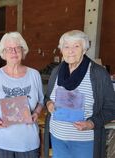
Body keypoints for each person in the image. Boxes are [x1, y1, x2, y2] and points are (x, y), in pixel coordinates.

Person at [43, 30, 115, 158]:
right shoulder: (56, 71)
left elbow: (111, 108)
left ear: (84, 49)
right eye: (66, 47)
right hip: (57, 138)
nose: (70, 51)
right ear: (61, 50)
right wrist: (48, 103)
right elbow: (47, 97)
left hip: (84, 141)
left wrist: (91, 123)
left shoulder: (98, 74)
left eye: (76, 46)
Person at [0, 32, 44, 158]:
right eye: (9, 49)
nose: (13, 52)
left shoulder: (34, 75)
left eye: (17, 48)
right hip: (1, 138)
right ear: (3, 53)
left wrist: (37, 113)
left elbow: (41, 101)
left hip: (28, 140)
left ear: (23, 51)